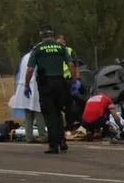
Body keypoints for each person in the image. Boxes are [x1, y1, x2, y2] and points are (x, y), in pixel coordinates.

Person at [24, 25, 79, 154]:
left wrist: (27, 85)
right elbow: (71, 64)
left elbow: (30, 69)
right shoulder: (61, 47)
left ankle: (53, 145)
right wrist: (75, 80)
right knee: (58, 112)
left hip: (46, 85)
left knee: (49, 114)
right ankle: (62, 141)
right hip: (60, 83)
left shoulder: (37, 49)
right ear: (52, 36)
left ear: (42, 37)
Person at [8, 47, 48, 143]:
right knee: (39, 112)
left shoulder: (25, 56)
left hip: (23, 86)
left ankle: (28, 136)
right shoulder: (37, 56)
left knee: (28, 114)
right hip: (33, 86)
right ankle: (42, 135)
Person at [55, 34, 82, 130]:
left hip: (69, 80)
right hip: (57, 81)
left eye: (63, 40)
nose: (62, 41)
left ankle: (70, 125)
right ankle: (60, 125)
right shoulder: (53, 51)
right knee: (58, 105)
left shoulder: (70, 50)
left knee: (69, 104)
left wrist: (77, 79)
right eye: (59, 40)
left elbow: (76, 65)